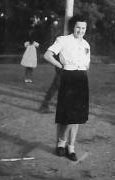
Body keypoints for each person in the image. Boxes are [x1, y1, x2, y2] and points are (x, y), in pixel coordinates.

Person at [43, 15, 90, 161]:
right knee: (67, 116)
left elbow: (87, 64)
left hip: (81, 79)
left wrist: (81, 71)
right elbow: (47, 55)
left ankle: (71, 147)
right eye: (78, 27)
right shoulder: (63, 40)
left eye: (83, 28)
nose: (80, 30)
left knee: (77, 117)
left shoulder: (86, 45)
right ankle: (61, 144)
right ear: (72, 27)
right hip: (68, 78)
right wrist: (61, 66)